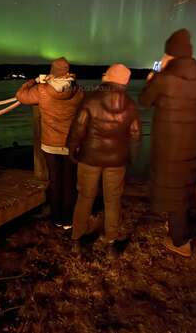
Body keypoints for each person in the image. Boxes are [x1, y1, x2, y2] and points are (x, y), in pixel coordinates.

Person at [139, 29, 196, 257]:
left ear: (171, 54)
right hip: (190, 140)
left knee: (174, 190)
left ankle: (180, 242)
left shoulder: (164, 78)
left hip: (169, 143)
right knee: (184, 185)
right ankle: (178, 226)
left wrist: (153, 75)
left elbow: (145, 100)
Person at [67, 63, 142, 253]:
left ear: (107, 78)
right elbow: (135, 135)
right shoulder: (130, 104)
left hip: (89, 157)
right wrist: (130, 157)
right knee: (113, 200)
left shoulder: (91, 100)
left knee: (84, 197)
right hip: (117, 160)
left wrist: (72, 149)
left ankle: (76, 239)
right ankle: (111, 244)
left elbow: (78, 128)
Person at [16, 57, 84, 228]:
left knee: (54, 181)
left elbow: (20, 96)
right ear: (68, 73)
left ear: (52, 72)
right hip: (71, 143)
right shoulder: (78, 90)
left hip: (50, 144)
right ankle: (69, 220)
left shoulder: (42, 90)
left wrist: (34, 81)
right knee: (69, 182)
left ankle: (57, 218)